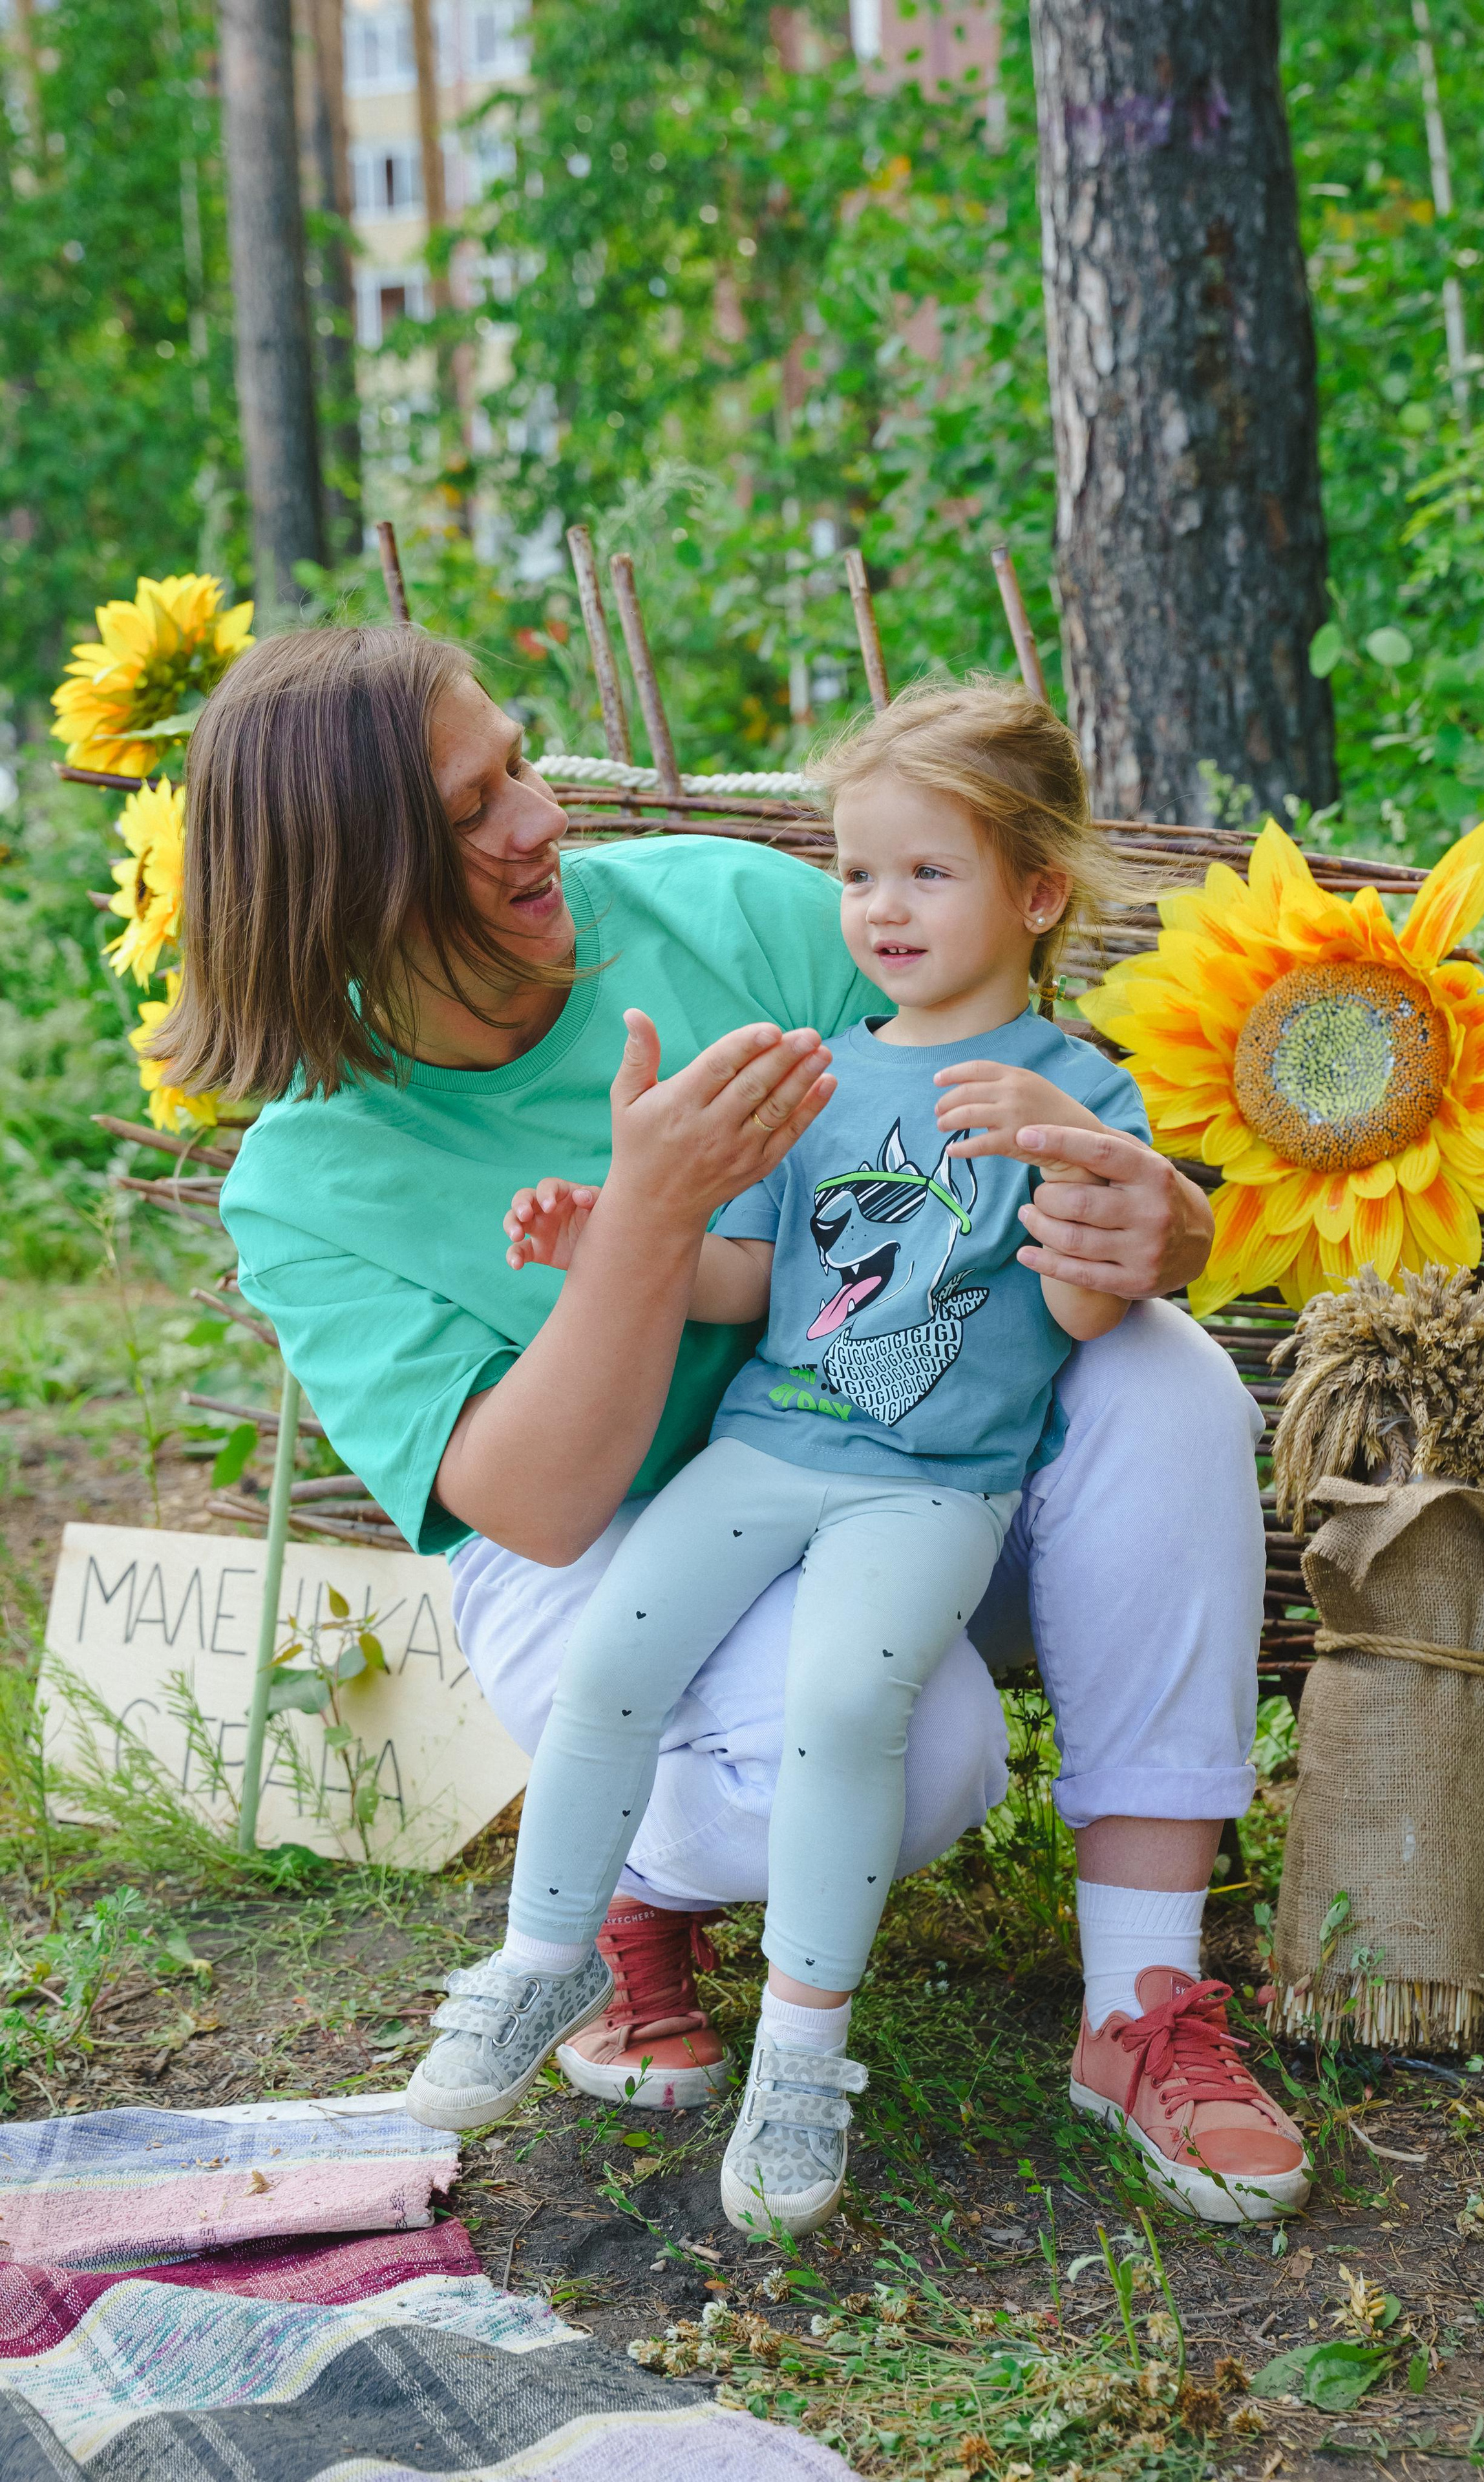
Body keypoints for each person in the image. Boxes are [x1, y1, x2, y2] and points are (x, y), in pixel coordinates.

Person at [168, 624, 1308, 2229]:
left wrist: (1152, 1233)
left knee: (1166, 1375)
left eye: (522, 763)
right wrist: (642, 1217)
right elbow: (544, 1505)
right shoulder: (308, 1183)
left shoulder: (730, 918)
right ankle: (630, 1899)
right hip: (620, 1542)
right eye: (472, 807)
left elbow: (1003, 1116)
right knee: (916, 1754)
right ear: (348, 881)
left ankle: (1139, 2005)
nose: (542, 818)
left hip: (906, 1458)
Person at [406, 684, 1154, 2235]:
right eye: (859, 872)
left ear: (1034, 893)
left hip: (929, 1483)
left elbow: (1090, 1302)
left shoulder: (1079, 1090)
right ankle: (539, 1965)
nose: (880, 908)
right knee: (619, 1652)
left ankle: (801, 2060)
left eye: (927, 874)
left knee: (839, 1704)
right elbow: (748, 1275)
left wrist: (1069, 1158)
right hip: (770, 1442)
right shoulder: (820, 1065)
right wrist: (609, 1238)